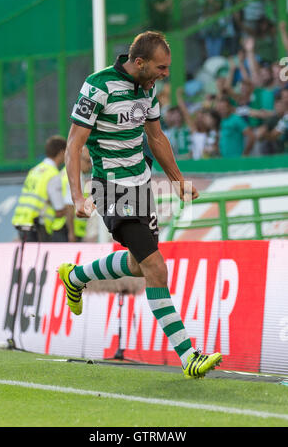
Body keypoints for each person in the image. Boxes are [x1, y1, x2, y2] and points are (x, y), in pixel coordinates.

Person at [58, 31, 222, 379]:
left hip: (140, 185)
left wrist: (177, 180)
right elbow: (74, 144)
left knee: (137, 265)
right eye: (161, 68)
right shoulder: (97, 86)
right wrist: (76, 196)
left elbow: (156, 136)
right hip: (110, 189)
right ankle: (189, 356)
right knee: (157, 268)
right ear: (139, 62)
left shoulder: (148, 89)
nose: (165, 74)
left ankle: (75, 277)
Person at [12, 135, 67, 242]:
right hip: (38, 226)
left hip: (22, 220)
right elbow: (59, 208)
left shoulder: (35, 170)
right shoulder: (53, 174)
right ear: (61, 153)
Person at [51, 146, 92, 242]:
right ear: (78, 158)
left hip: (61, 227)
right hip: (66, 229)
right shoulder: (74, 177)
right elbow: (69, 206)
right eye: (88, 161)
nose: (90, 165)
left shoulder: (67, 172)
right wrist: (71, 233)